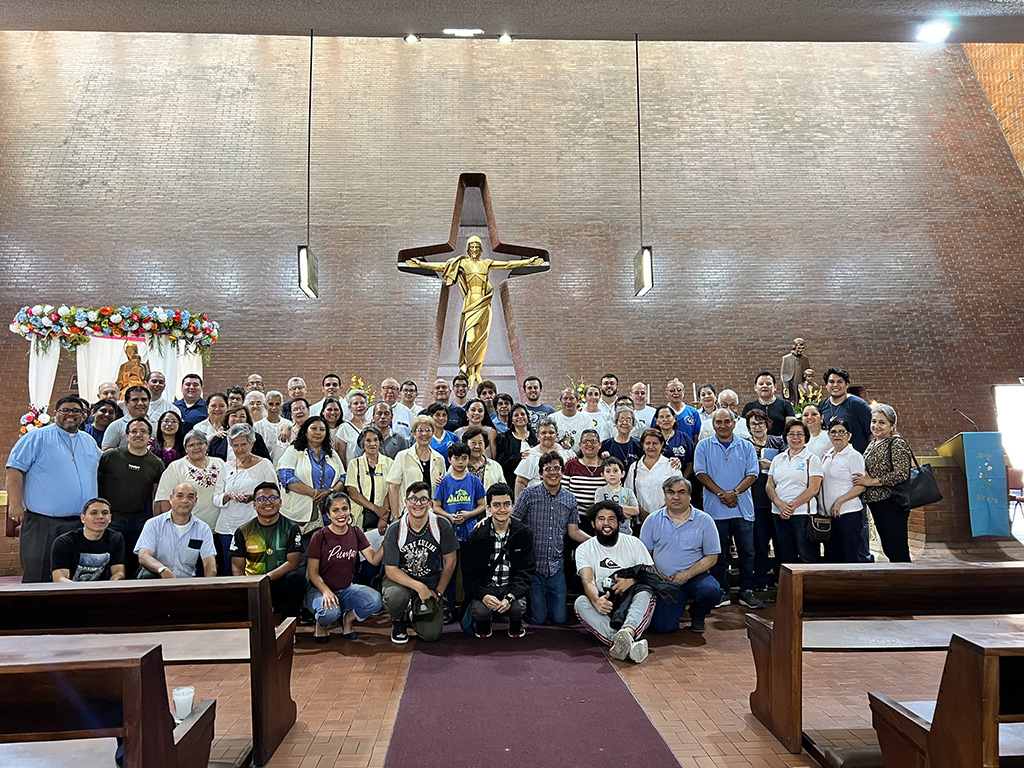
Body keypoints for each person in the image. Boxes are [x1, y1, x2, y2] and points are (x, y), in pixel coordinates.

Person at [403, 238, 544, 387]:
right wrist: (420, 264)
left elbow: (507, 264)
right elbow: (442, 267)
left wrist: (528, 262)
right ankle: (468, 370)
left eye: (477, 246)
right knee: (470, 339)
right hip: (470, 304)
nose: (475, 249)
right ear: (468, 248)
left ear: (481, 248)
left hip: (484, 305)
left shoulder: (486, 263)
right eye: (472, 246)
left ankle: (476, 372)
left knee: (481, 340)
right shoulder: (462, 263)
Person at [693, 408, 763, 610]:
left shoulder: (746, 446)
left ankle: (746, 591)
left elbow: (753, 474)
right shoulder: (704, 446)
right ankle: (721, 591)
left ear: (734, 423)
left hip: (742, 509)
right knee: (719, 552)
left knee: (747, 552)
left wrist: (735, 493)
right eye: (718, 422)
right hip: (715, 509)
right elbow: (700, 473)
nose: (723, 425)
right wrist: (723, 494)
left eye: (727, 421)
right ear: (713, 425)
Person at [512, 452, 590, 625]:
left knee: (560, 618)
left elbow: (574, 531)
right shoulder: (527, 494)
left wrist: (596, 541)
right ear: (540, 473)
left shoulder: (569, 499)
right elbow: (513, 523)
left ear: (562, 472)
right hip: (533, 566)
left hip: (556, 566)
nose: (553, 473)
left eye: (557, 468)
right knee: (538, 619)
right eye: (548, 469)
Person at [574, 500, 656, 663]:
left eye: (611, 519)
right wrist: (596, 600)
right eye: (601, 518)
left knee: (647, 592)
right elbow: (587, 579)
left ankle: (628, 632)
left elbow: (651, 575)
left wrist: (631, 581)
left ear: (619, 522)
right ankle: (626, 644)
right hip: (606, 603)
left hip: (631, 602)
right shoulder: (584, 548)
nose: (606, 523)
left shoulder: (634, 543)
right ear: (593, 523)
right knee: (580, 602)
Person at [640, 477, 721, 634]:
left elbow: (712, 557)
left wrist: (686, 575)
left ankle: (697, 615)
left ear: (690, 496)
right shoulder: (652, 520)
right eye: (670, 492)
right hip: (665, 581)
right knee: (664, 628)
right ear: (664, 496)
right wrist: (656, 575)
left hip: (695, 578)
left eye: (681, 492)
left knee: (712, 591)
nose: (675, 497)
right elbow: (644, 555)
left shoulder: (705, 521)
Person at [382, 481, 459, 643]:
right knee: (394, 596)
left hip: (431, 580)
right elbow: (391, 569)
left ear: (430, 503)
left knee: (431, 635)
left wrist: (438, 592)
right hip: (401, 581)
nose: (418, 504)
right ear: (406, 502)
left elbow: (451, 561)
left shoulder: (441, 525)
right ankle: (398, 620)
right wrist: (419, 587)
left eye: (423, 499)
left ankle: (414, 613)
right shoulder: (395, 529)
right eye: (413, 499)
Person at [306, 490, 384, 642]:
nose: (341, 514)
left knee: (375, 601)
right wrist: (327, 592)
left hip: (347, 589)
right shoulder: (319, 536)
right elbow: (313, 573)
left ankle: (347, 619)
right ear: (328, 514)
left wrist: (386, 544)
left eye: (345, 509)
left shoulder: (355, 532)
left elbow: (373, 559)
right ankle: (322, 624)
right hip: (320, 590)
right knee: (329, 612)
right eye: (335, 510)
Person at [462, 483, 536, 638]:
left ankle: (516, 623)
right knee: (480, 610)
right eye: (496, 505)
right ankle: (484, 622)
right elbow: (470, 574)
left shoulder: (524, 533)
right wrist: (483, 595)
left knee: (518, 607)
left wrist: (511, 596)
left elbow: (526, 570)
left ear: (513, 505)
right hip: (487, 587)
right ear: (488, 507)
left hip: (510, 587)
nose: (502, 509)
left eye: (506, 504)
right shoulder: (476, 536)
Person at [99, 416, 165, 577]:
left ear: (150, 437)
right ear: (126, 436)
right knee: (110, 563)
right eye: (134, 431)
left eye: (143, 431)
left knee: (133, 562)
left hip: (139, 520)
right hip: (111, 520)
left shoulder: (156, 463)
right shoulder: (110, 456)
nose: (138, 435)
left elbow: (156, 495)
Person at [230, 482, 305, 616]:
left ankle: (288, 627)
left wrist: (266, 578)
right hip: (253, 583)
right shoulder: (243, 531)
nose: (267, 503)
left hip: (278, 581)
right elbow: (237, 567)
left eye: (272, 498)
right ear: (254, 504)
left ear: (280, 502)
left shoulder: (291, 528)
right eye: (261, 499)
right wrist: (250, 585)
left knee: (296, 579)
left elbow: (293, 563)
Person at [213, 423, 278, 573]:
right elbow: (216, 498)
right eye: (235, 445)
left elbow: (274, 495)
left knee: (256, 570)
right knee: (230, 571)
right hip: (227, 528)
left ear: (252, 443)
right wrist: (228, 496)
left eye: (244, 444)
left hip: (255, 527)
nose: (240, 449)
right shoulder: (226, 467)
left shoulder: (264, 465)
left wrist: (254, 498)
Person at [853, 404, 913, 563]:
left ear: (893, 425)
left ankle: (908, 582)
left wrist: (871, 481)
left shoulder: (896, 443)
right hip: (877, 503)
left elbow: (901, 473)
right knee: (888, 547)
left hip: (891, 502)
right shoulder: (874, 443)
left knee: (896, 548)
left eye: (882, 422)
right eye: (874, 422)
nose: (876, 426)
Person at [433, 442, 486, 617]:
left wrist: (469, 514)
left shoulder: (474, 480)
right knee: (449, 568)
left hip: (469, 531)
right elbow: (436, 507)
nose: (460, 462)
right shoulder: (445, 481)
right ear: (450, 459)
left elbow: (482, 505)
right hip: (448, 531)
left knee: (469, 569)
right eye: (456, 458)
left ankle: (468, 606)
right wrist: (449, 517)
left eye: (464, 458)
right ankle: (447, 606)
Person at [278, 416, 345, 543]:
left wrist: (330, 491)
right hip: (298, 514)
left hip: (327, 513)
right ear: (305, 431)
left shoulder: (332, 454)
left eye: (322, 429)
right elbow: (286, 476)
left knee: (323, 556)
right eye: (313, 428)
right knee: (299, 556)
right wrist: (313, 493)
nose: (318, 432)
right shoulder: (294, 451)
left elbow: (343, 477)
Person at [766, 418, 824, 565]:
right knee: (785, 555)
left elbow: (814, 488)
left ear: (806, 437)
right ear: (786, 437)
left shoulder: (812, 459)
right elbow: (769, 485)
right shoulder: (778, 459)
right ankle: (790, 587)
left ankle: (809, 587)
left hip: (802, 514)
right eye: (791, 434)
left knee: (807, 554)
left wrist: (791, 506)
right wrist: (779, 504)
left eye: (800, 434)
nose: (795, 438)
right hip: (779, 513)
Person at [136, 481, 217, 578]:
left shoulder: (203, 529)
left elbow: (210, 565)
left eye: (190, 497)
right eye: (180, 496)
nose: (184, 501)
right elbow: (143, 556)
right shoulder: (153, 524)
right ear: (171, 499)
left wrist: (207, 588)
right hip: (157, 580)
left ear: (195, 501)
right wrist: (163, 570)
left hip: (187, 583)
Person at [743, 409, 785, 592]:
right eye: (753, 423)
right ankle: (761, 578)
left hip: (778, 500)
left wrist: (771, 464)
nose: (757, 426)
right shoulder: (744, 445)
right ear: (748, 427)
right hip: (756, 499)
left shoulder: (778, 442)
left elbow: (789, 462)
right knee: (759, 542)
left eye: (760, 423)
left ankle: (780, 577)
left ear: (767, 423)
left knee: (780, 541)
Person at [154, 429, 227, 533]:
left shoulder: (219, 463)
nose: (196, 447)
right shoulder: (176, 467)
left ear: (207, 445)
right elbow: (164, 499)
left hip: (218, 528)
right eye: (191, 445)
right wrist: (171, 527)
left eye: (200, 443)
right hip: (187, 528)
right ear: (185, 448)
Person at [821, 418, 867, 563]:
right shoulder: (827, 455)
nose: (837, 435)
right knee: (832, 556)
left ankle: (851, 586)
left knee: (849, 555)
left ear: (849, 435)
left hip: (848, 513)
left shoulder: (854, 456)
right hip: (828, 514)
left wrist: (840, 501)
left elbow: (861, 485)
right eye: (833, 432)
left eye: (842, 432)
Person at [386, 415, 447, 521]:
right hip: (406, 512)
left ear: (433, 433)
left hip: (431, 513)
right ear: (414, 434)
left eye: (428, 430)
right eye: (420, 430)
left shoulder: (439, 459)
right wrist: (395, 515)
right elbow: (393, 487)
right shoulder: (403, 456)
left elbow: (443, 488)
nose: (424, 434)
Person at [51, 497, 126, 582]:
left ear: (110, 518)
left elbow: (119, 573)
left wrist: (110, 586)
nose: (100, 516)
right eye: (94, 513)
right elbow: (59, 579)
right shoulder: (64, 542)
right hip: (71, 592)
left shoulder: (115, 538)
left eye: (105, 513)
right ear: (83, 518)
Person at [346, 426, 393, 535]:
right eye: (368, 440)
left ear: (380, 443)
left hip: (382, 518)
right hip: (358, 517)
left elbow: (391, 491)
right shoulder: (354, 464)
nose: (372, 444)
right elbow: (353, 492)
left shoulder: (390, 463)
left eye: (376, 440)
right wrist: (375, 509)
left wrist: (384, 517)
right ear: (362, 444)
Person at [513, 417, 575, 495]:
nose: (548, 435)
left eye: (551, 432)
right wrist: (518, 504)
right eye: (543, 433)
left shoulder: (566, 451)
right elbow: (520, 481)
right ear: (537, 436)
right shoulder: (530, 455)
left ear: (557, 435)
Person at [818, 368, 873, 453]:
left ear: (847, 385)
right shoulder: (823, 405)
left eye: (840, 382)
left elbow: (872, 434)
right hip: (832, 460)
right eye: (831, 382)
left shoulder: (858, 405)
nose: (835, 385)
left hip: (856, 459)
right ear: (826, 385)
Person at [625, 429, 676, 519]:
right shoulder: (634, 467)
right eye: (647, 443)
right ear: (642, 445)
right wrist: (640, 511)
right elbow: (628, 493)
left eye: (655, 443)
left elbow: (678, 492)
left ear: (662, 444)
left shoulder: (671, 465)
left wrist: (662, 511)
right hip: (641, 518)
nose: (651, 446)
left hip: (668, 517)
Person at [208, 405, 272, 462]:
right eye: (234, 415)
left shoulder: (256, 438)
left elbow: (266, 461)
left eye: (242, 416)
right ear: (228, 418)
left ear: (247, 420)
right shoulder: (218, 440)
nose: (238, 419)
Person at [594, 457, 641, 534]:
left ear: (622, 473)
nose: (612, 474)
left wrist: (615, 508)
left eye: (615, 471)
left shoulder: (628, 492)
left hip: (626, 533)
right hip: (605, 533)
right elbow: (600, 512)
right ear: (603, 475)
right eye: (608, 471)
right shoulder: (600, 491)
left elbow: (636, 510)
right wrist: (624, 514)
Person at [563, 429, 606, 513]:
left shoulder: (608, 465)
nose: (589, 444)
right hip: (575, 517)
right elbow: (563, 493)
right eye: (585, 441)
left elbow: (616, 490)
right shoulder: (571, 464)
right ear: (580, 445)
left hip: (601, 517)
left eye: (593, 441)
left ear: (600, 445)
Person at [101, 385, 155, 450]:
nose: (140, 403)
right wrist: (133, 445)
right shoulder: (116, 426)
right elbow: (105, 451)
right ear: (126, 403)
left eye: (144, 399)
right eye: (135, 400)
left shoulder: (157, 424)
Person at [496, 403, 537, 487]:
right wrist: (519, 457)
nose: (520, 417)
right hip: (512, 482)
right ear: (511, 419)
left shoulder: (537, 436)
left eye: (522, 414)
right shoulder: (504, 438)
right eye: (516, 415)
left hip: (535, 480)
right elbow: (501, 461)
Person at [744, 372, 795, 437]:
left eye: (768, 384)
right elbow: (744, 430)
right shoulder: (749, 407)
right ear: (755, 387)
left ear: (775, 387)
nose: (764, 386)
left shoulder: (785, 405)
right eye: (761, 384)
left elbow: (791, 427)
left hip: (780, 444)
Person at [652, 405, 694, 477]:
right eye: (661, 417)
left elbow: (691, 463)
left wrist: (682, 479)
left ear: (674, 418)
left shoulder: (684, 438)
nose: (665, 420)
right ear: (656, 421)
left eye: (668, 416)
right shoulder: (652, 439)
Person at [259, 389, 292, 464]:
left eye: (277, 404)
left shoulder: (288, 424)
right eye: (270, 404)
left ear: (281, 406)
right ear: (265, 405)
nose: (274, 407)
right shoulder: (257, 426)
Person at [425, 401, 459, 466]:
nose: (441, 418)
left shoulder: (453, 437)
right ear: (430, 416)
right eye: (437, 415)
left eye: (444, 415)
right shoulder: (423, 437)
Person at [780, 338, 811, 404]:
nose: (801, 350)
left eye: (803, 348)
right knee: (792, 399)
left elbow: (808, 372)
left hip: (802, 384)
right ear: (794, 347)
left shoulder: (805, 359)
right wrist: (785, 387)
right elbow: (784, 374)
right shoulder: (786, 358)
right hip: (791, 382)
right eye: (799, 348)